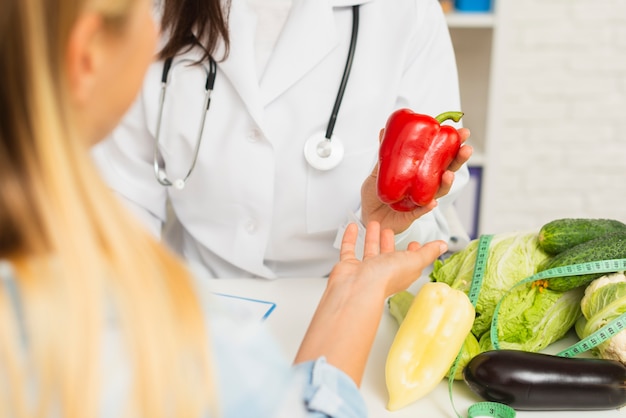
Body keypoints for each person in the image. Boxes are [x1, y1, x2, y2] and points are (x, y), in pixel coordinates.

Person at [0, 0, 448, 416]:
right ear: (88, 53)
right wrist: (359, 293)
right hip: (208, 302)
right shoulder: (198, 348)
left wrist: (356, 284)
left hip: (306, 301)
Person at [92, 0, 473, 279]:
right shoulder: (147, 11)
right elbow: (122, 192)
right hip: (196, 293)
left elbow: (426, 208)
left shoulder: (406, 12)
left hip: (341, 293)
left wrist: (384, 229)